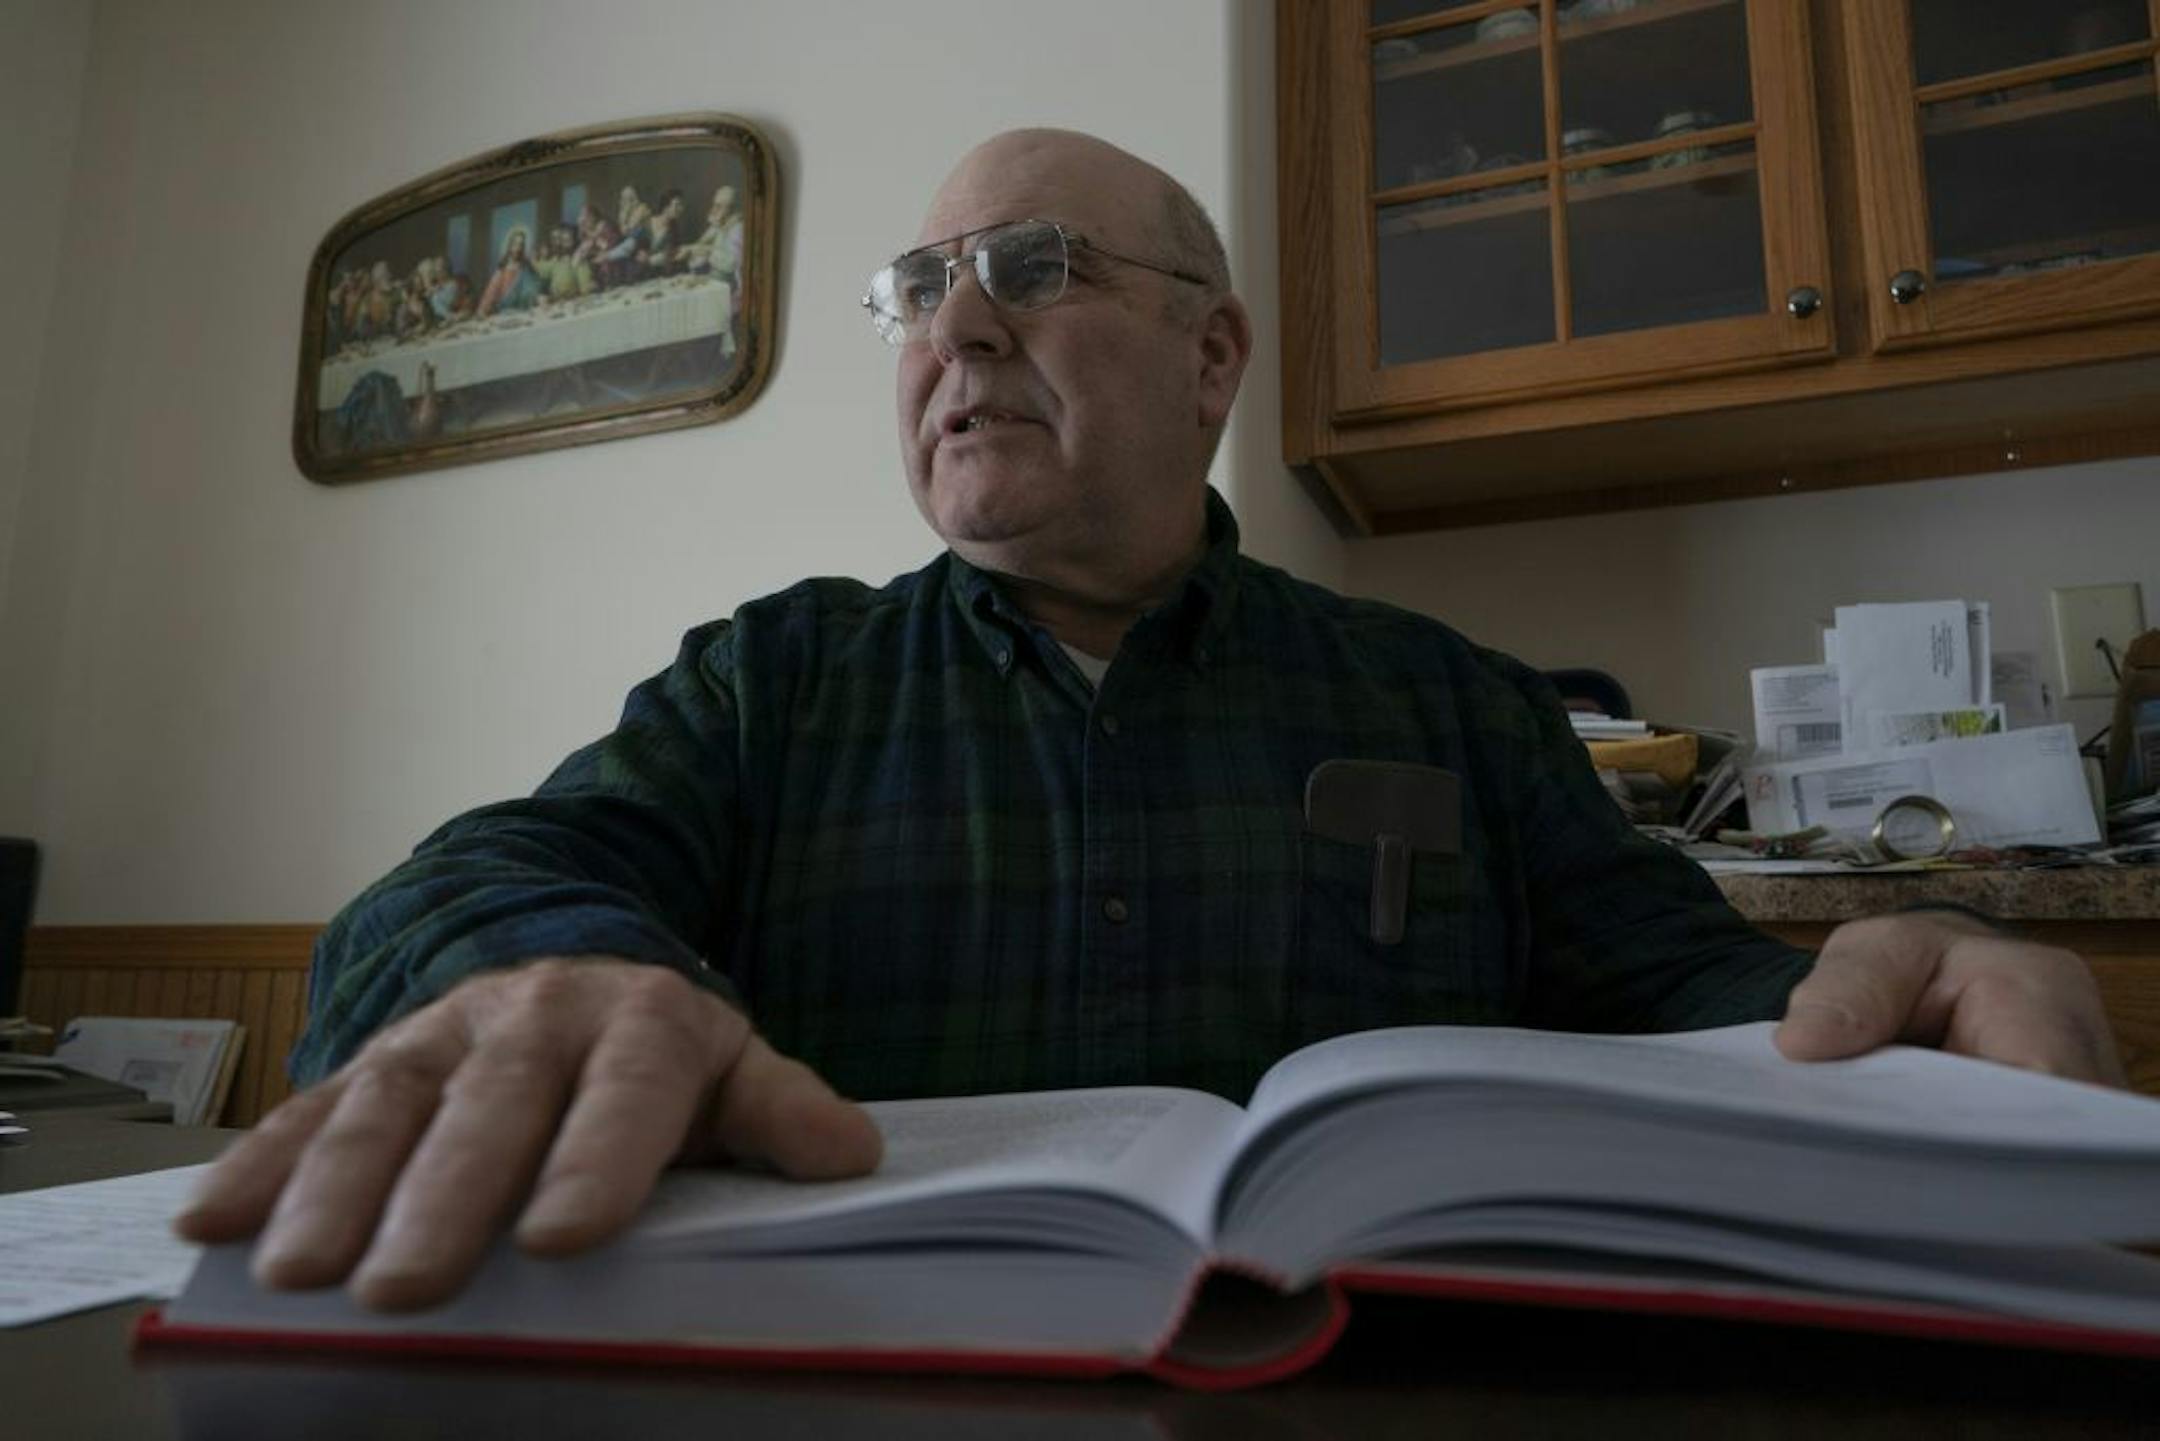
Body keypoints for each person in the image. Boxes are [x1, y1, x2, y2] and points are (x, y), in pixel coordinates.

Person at [179, 129, 2125, 1315]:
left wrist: (1911, 989)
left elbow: (1699, 992)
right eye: (916, 292)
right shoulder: (772, 682)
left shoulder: (1445, 702)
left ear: (1212, 357)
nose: (953, 333)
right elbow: (462, 896)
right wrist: (537, 972)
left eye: (1029, 271)